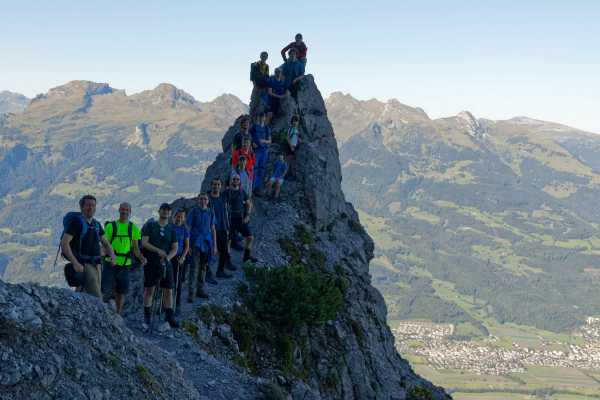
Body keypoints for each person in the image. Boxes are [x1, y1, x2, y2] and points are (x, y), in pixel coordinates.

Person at [61, 195, 116, 298]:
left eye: (93, 205)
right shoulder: (77, 223)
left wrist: (112, 255)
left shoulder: (96, 224)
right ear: (82, 207)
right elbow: (64, 243)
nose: (91, 208)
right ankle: (99, 313)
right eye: (88, 205)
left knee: (87, 292)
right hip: (84, 264)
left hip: (97, 263)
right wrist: (75, 263)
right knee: (97, 296)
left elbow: (106, 243)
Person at [101, 202, 146, 314]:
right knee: (105, 289)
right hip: (110, 262)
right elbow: (105, 245)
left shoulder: (133, 228)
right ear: (119, 210)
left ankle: (118, 314)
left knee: (121, 291)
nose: (124, 211)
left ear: (130, 212)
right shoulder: (111, 226)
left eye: (127, 210)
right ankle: (103, 313)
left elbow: (135, 248)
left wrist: (141, 258)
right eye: (122, 209)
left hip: (125, 264)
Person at [141, 203, 179, 329]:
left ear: (170, 213)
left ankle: (169, 316)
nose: (165, 212)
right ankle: (147, 315)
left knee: (168, 289)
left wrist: (167, 258)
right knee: (149, 289)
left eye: (168, 211)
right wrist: (158, 250)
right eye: (163, 210)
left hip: (166, 262)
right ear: (159, 211)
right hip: (151, 261)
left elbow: (175, 248)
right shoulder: (150, 225)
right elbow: (144, 242)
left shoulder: (172, 229)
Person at [187, 193, 220, 302]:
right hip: (195, 243)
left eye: (205, 199)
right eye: (201, 199)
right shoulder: (193, 211)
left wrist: (215, 245)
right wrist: (188, 246)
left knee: (203, 267)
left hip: (207, 243)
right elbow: (188, 227)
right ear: (198, 200)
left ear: (208, 201)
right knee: (194, 267)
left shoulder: (210, 212)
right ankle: (191, 293)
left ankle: (200, 290)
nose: (203, 201)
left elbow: (213, 229)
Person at [224, 174, 257, 263]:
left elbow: (249, 203)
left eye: (237, 179)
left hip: (241, 219)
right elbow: (222, 204)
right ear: (231, 181)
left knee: (250, 237)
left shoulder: (242, 191)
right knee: (228, 240)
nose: (235, 181)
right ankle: (227, 259)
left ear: (240, 181)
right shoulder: (226, 192)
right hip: (230, 219)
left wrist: (247, 215)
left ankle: (246, 256)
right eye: (234, 179)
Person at [208, 178, 237, 277]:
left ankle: (220, 271)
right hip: (211, 230)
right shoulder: (207, 200)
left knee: (224, 251)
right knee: (209, 252)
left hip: (223, 228)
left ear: (221, 186)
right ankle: (206, 274)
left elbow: (226, 213)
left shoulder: (223, 198)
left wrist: (228, 227)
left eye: (218, 184)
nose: (216, 186)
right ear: (211, 185)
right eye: (214, 184)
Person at [172, 209, 190, 313]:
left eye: (181, 217)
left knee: (177, 282)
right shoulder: (169, 228)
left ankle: (177, 304)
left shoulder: (185, 229)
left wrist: (183, 257)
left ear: (184, 218)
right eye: (177, 216)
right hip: (169, 257)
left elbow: (187, 246)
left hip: (179, 258)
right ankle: (164, 305)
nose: (179, 218)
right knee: (166, 282)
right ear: (174, 217)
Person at [250, 112, 271, 196]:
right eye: (261, 116)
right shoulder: (254, 127)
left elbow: (270, 141)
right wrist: (252, 143)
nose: (262, 118)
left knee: (261, 169)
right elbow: (249, 136)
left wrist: (263, 141)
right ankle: (252, 187)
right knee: (255, 168)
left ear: (265, 118)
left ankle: (258, 188)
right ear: (258, 117)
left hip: (264, 151)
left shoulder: (267, 128)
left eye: (263, 116)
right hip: (256, 151)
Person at [285, 115, 300, 179]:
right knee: (288, 161)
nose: (295, 122)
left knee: (291, 161)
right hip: (290, 146)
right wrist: (291, 146)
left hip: (294, 147)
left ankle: (288, 175)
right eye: (294, 121)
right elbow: (287, 138)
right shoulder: (291, 128)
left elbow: (296, 138)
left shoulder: (296, 130)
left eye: (296, 121)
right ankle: (285, 175)